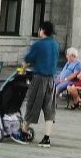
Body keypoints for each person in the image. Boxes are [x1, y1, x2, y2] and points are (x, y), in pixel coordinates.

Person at [22, 20, 60, 148]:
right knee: (49, 108)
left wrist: (23, 68)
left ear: (42, 30)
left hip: (39, 78)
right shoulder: (56, 44)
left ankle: (24, 131)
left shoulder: (38, 44)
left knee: (32, 104)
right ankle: (47, 137)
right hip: (51, 80)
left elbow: (28, 59)